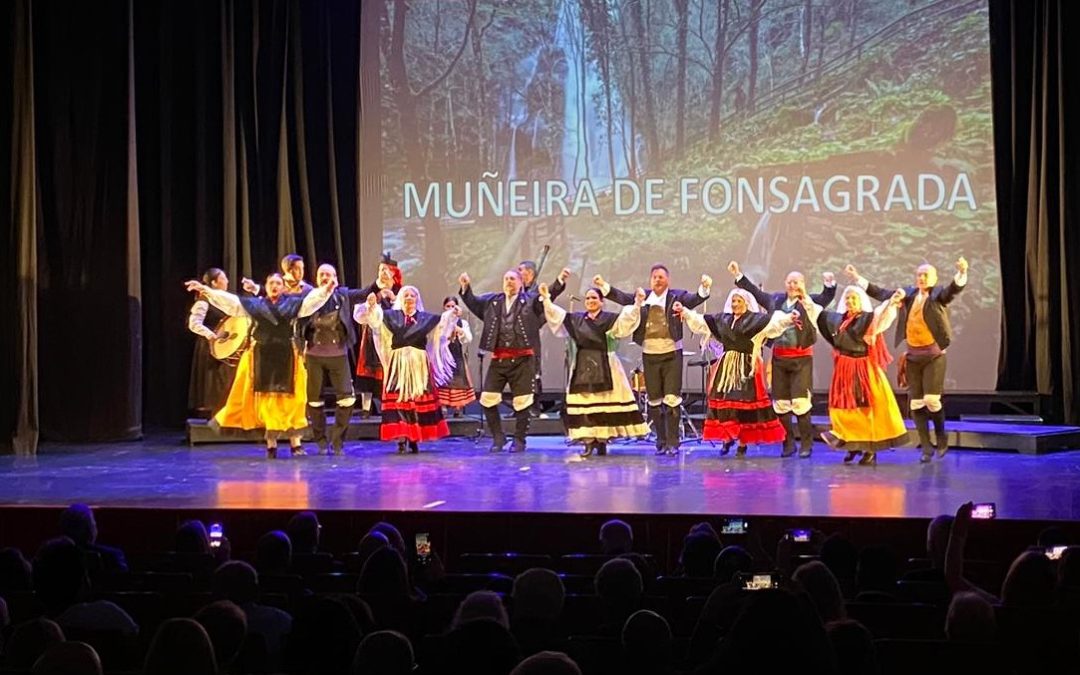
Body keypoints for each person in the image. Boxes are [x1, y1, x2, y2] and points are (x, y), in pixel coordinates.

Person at [184, 273, 334, 458]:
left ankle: (296, 444)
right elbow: (232, 303)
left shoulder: (293, 304)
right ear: (266, 285)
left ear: (283, 287)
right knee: (267, 402)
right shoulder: (256, 305)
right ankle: (271, 445)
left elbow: (311, 302)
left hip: (287, 357)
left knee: (293, 402)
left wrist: (326, 291)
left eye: (278, 283)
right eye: (271, 282)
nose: (275, 286)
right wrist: (206, 290)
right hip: (261, 358)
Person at [846, 257, 968, 462]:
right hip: (913, 356)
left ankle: (941, 436)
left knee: (931, 400)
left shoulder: (938, 295)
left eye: (926, 275)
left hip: (934, 356)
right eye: (919, 274)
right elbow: (881, 293)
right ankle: (926, 447)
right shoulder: (908, 294)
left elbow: (952, 291)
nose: (921, 278)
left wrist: (962, 272)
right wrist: (857, 277)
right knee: (916, 403)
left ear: (934, 278)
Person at [594, 266, 712, 455]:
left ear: (668, 280)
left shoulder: (676, 296)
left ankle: (673, 443)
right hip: (650, 354)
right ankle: (661, 441)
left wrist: (704, 287)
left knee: (672, 399)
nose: (657, 280)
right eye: (654, 277)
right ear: (650, 280)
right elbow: (622, 298)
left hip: (672, 354)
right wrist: (603, 286)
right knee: (655, 400)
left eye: (661, 277)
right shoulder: (643, 297)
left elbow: (695, 299)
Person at [727, 260, 836, 457]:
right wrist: (738, 276)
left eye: (796, 282)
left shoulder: (809, 302)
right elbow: (756, 293)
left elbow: (827, 296)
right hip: (779, 358)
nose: (793, 286)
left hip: (801, 359)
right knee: (781, 403)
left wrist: (829, 284)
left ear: (803, 284)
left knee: (801, 403)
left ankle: (806, 445)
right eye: (790, 282)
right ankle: (787, 443)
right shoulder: (776, 301)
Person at [675, 288, 797, 457]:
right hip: (726, 367)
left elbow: (775, 323)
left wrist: (789, 318)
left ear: (746, 303)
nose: (735, 304)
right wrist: (685, 312)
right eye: (733, 301)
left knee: (742, 407)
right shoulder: (723, 319)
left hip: (745, 367)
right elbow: (702, 321)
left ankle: (742, 443)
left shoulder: (756, 320)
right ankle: (727, 438)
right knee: (724, 405)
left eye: (739, 301)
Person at [538, 283, 649, 456]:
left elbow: (626, 323)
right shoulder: (577, 320)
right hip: (583, 366)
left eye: (594, 298)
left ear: (601, 301)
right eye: (588, 298)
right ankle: (589, 442)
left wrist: (637, 304)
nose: (590, 301)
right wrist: (546, 299)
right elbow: (558, 316)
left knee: (605, 403)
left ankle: (603, 440)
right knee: (585, 405)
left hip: (606, 363)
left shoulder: (610, 319)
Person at [806, 285, 908, 465]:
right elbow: (818, 314)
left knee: (864, 408)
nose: (850, 301)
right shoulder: (838, 320)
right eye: (847, 298)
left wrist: (892, 302)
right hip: (844, 369)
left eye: (854, 298)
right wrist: (804, 298)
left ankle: (869, 448)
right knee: (844, 409)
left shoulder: (868, 320)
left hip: (863, 369)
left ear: (861, 301)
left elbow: (882, 315)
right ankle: (852, 443)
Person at [354, 286, 456, 453]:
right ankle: (402, 438)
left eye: (413, 295)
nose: (409, 298)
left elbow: (443, 327)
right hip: (398, 364)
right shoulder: (390, 316)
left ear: (417, 299)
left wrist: (452, 315)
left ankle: (414, 437)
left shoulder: (425, 319)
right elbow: (371, 319)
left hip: (418, 365)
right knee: (399, 401)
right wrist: (370, 306)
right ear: (401, 298)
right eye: (406, 295)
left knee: (416, 400)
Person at [459, 269, 547, 453]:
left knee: (523, 401)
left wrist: (558, 284)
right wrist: (466, 287)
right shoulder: (493, 301)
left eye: (513, 279)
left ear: (520, 282)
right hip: (499, 359)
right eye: (506, 279)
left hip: (523, 360)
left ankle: (520, 440)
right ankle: (499, 437)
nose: (509, 282)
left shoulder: (530, 300)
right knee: (487, 400)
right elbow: (473, 302)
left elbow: (544, 301)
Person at [303, 264, 371, 456]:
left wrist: (379, 283)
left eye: (329, 274)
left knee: (347, 399)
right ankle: (321, 440)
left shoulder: (342, 295)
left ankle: (337, 439)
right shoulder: (309, 296)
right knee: (314, 401)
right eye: (321, 274)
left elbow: (364, 292)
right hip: (314, 355)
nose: (325, 277)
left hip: (338, 354)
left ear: (336, 278)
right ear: (316, 279)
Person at [355, 252, 404, 418]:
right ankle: (366, 409)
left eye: (386, 270)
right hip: (372, 335)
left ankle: (389, 406)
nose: (383, 273)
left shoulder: (400, 292)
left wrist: (393, 298)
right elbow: (362, 305)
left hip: (390, 338)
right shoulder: (373, 290)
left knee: (389, 372)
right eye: (380, 270)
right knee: (368, 371)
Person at [187, 267, 238, 418]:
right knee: (214, 380)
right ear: (215, 283)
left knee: (226, 379)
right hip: (209, 346)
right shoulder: (204, 301)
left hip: (226, 345)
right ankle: (213, 413)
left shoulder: (225, 300)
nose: (227, 281)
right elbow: (194, 323)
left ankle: (227, 413)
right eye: (223, 278)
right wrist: (212, 336)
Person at [437, 296, 477, 416]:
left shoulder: (462, 323)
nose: (450, 309)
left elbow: (468, 339)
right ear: (444, 307)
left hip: (457, 354)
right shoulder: (440, 321)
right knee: (443, 381)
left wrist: (460, 330)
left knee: (458, 380)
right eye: (448, 306)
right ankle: (443, 407)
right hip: (443, 355)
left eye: (453, 306)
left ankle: (458, 407)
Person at [241, 253, 313, 297]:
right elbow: (267, 292)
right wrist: (253, 287)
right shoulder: (278, 282)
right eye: (297, 269)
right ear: (288, 270)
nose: (301, 272)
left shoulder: (308, 289)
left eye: (302, 268)